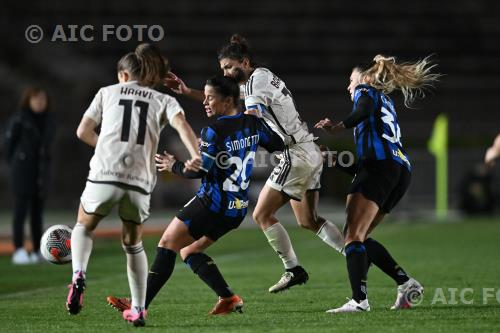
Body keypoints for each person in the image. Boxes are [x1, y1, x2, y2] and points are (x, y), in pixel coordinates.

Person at [164, 34, 345, 293]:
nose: (225, 73)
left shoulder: (253, 88)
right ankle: (355, 253)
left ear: (245, 62)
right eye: (222, 69)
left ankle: (293, 269)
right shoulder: (261, 75)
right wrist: (187, 91)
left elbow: (249, 114)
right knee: (308, 220)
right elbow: (225, 97)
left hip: (294, 153)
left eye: (228, 67)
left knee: (261, 214)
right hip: (306, 147)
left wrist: (230, 132)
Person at [106, 75, 285, 315]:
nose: (205, 102)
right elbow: (277, 144)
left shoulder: (214, 130)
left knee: (167, 244)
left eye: (211, 97)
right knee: (189, 251)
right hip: (237, 208)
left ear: (229, 99)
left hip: (212, 203)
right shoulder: (253, 123)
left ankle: (140, 305)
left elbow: (199, 170)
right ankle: (228, 298)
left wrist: (174, 166)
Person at [67, 43, 199, 327]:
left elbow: (82, 131)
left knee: (83, 226)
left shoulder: (107, 92)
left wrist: (106, 147)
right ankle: (138, 309)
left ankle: (78, 275)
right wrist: (195, 156)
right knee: (133, 244)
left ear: (124, 75)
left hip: (104, 173)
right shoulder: (162, 99)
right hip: (139, 179)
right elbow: (182, 126)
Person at [315, 55, 440, 313]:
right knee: (360, 238)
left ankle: (359, 301)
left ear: (363, 77)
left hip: (381, 169)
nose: (349, 87)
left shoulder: (366, 90)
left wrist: (339, 127)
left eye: (350, 80)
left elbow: (359, 113)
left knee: (352, 237)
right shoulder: (385, 102)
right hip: (399, 170)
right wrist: (333, 160)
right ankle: (406, 284)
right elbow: (364, 165)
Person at [4, 87, 55, 265]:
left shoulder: (49, 119)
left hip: (41, 173)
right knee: (20, 212)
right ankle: (18, 250)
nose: (39, 102)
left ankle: (36, 250)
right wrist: (19, 162)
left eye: (42, 99)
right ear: (28, 100)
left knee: (37, 214)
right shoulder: (19, 118)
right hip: (23, 172)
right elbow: (8, 145)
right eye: (35, 99)